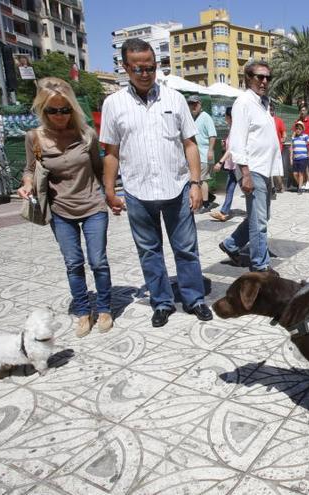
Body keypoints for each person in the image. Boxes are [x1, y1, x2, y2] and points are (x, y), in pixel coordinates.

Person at [100, 38, 213, 327]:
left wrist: (196, 183)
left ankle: (194, 298)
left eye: (150, 67)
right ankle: (161, 302)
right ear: (125, 67)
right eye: (138, 68)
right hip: (137, 192)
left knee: (187, 249)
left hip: (176, 188)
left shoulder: (174, 99)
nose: (145, 73)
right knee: (149, 252)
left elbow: (190, 144)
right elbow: (111, 152)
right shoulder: (114, 104)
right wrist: (110, 190)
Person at [18, 77, 113, 337]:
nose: (59, 115)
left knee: (98, 262)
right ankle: (83, 312)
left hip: (92, 204)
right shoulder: (35, 138)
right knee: (73, 263)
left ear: (72, 108)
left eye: (65, 109)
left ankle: (104, 308)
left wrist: (108, 194)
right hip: (60, 209)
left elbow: (97, 166)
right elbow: (30, 169)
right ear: (43, 109)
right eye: (53, 110)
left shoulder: (87, 135)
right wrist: (27, 184)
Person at [218, 60, 284, 272]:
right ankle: (260, 265)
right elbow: (237, 140)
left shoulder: (263, 103)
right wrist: (245, 173)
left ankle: (231, 244)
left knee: (261, 217)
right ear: (248, 78)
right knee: (259, 222)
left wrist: (276, 173)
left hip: (264, 169)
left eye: (268, 77)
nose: (264, 81)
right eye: (259, 77)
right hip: (252, 169)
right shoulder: (244, 102)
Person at [187, 95, 218, 213]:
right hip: (196, 155)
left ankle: (205, 204)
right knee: (195, 178)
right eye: (190, 104)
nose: (193, 106)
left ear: (200, 104)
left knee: (202, 179)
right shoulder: (192, 118)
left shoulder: (206, 117)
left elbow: (213, 135)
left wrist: (210, 150)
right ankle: (208, 197)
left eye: (195, 103)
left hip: (205, 154)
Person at [211, 107, 237, 222]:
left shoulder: (236, 129)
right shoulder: (232, 128)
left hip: (238, 166)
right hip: (233, 165)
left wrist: (220, 162)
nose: (225, 119)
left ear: (229, 117)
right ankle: (224, 212)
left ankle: (256, 210)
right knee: (230, 188)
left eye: (225, 117)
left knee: (248, 190)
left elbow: (231, 148)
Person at [290, 121, 309, 194]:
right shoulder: (294, 138)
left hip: (303, 158)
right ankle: (301, 184)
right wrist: (291, 158)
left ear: (302, 129)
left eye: (299, 128)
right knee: (295, 174)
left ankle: (300, 188)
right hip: (296, 158)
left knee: (300, 173)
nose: (298, 130)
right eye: (296, 128)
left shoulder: (305, 136)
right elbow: (291, 148)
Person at [270, 102, 286, 194]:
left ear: (274, 111)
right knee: (269, 170)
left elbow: (283, 132)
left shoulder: (278, 121)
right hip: (267, 149)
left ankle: (281, 186)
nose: (270, 112)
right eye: (269, 110)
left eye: (271, 110)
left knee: (276, 170)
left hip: (277, 149)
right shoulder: (264, 120)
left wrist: (283, 138)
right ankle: (271, 187)